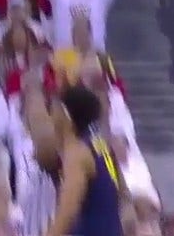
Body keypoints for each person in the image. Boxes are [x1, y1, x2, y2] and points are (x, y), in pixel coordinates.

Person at [33, 85, 127, 236]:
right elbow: (121, 192)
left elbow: (67, 213)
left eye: (54, 109)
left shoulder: (77, 154)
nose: (50, 115)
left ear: (65, 115)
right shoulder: (100, 145)